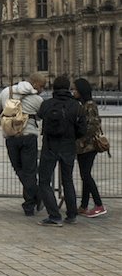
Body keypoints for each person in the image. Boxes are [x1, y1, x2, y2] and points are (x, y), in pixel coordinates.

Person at [0, 73, 46, 216]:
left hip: (11, 136)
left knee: (19, 170)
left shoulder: (6, 92)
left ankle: (31, 201)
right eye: (42, 86)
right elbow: (41, 116)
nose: (43, 89)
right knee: (30, 171)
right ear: (34, 84)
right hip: (29, 136)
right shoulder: (37, 99)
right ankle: (34, 199)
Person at [37, 74, 87, 227]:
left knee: (45, 181)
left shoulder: (47, 104)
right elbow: (82, 129)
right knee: (68, 180)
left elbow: (39, 117)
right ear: (68, 88)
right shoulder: (76, 106)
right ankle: (71, 215)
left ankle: (54, 215)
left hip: (50, 146)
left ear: (54, 88)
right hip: (68, 147)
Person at [73, 78, 107, 217]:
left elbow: (93, 126)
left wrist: (82, 139)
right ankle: (84, 205)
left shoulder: (90, 105)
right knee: (84, 175)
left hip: (88, 146)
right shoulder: (83, 104)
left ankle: (99, 205)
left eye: (74, 89)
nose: (73, 91)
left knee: (86, 175)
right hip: (83, 146)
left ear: (81, 91)